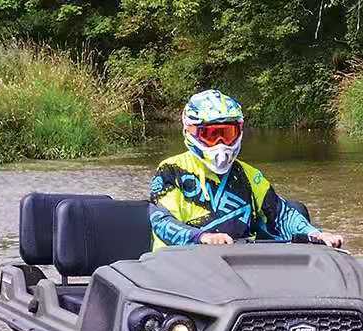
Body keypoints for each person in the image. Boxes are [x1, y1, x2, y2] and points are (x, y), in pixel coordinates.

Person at [148, 89, 345, 250]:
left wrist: (315, 234)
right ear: (190, 132)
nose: (221, 143)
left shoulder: (251, 176)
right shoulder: (170, 171)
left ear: (239, 132)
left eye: (227, 134)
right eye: (212, 135)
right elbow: (162, 221)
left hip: (240, 267)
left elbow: (281, 215)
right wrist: (201, 237)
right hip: (177, 266)